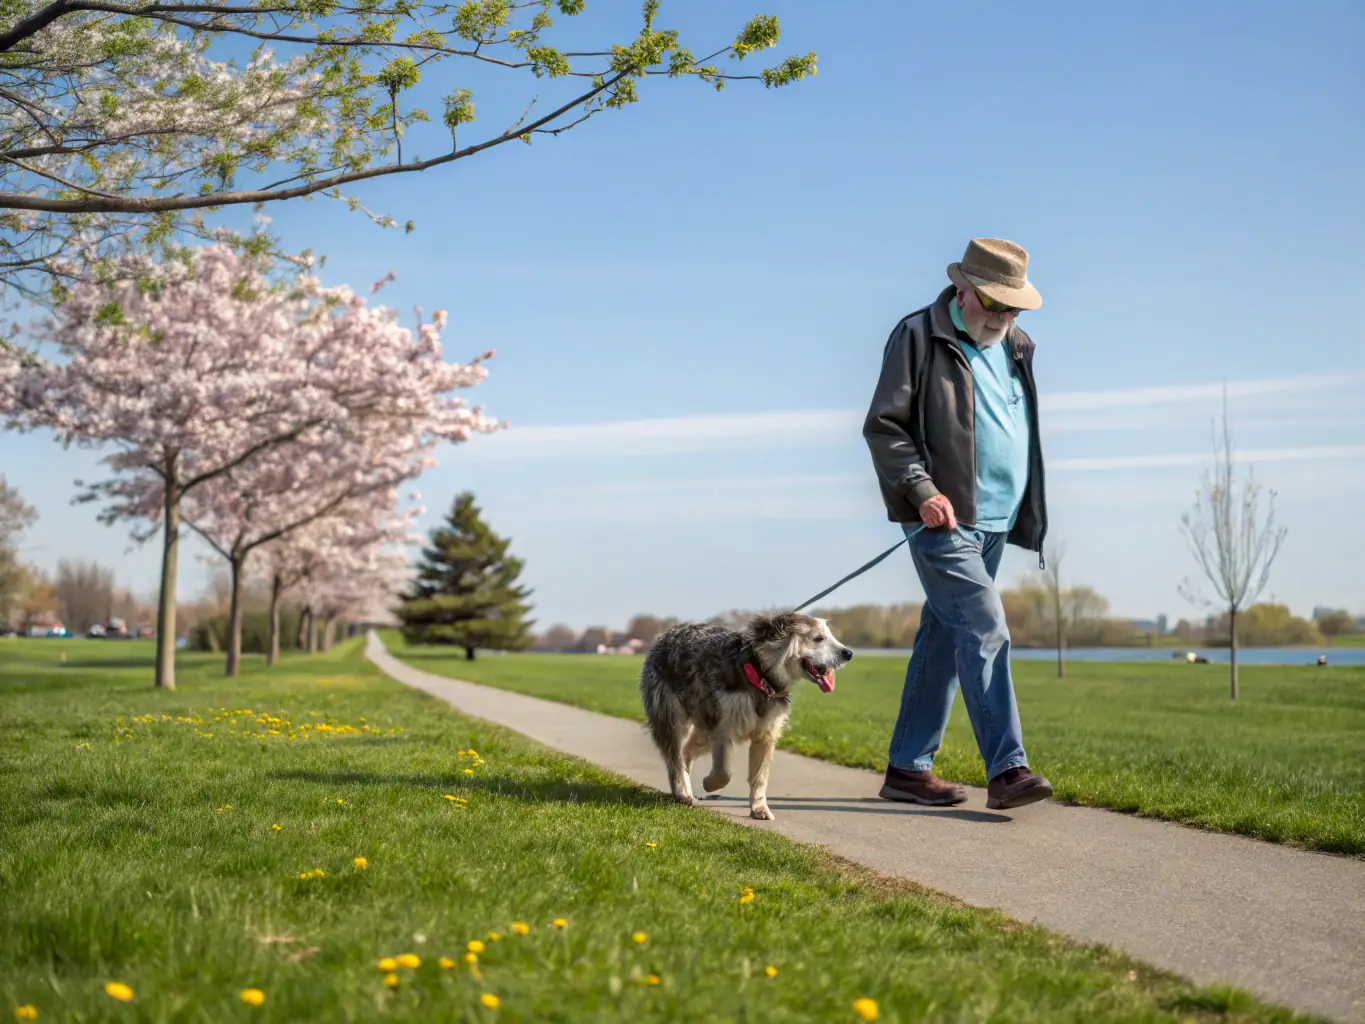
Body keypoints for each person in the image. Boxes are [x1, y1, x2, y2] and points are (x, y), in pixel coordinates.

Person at [863, 238, 1053, 810]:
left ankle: (907, 770)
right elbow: (885, 427)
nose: (1003, 317)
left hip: (998, 517)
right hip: (942, 516)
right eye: (994, 305)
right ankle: (1008, 770)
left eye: (1012, 307)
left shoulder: (1017, 343)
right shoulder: (919, 335)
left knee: (948, 635)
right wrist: (921, 490)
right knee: (986, 626)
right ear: (964, 291)